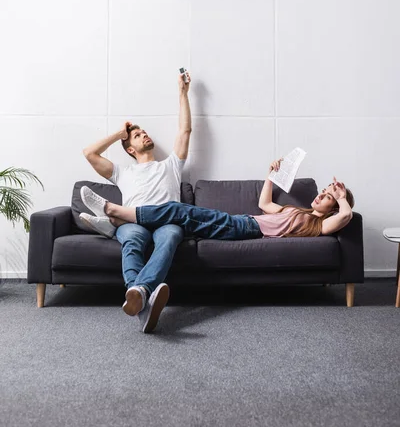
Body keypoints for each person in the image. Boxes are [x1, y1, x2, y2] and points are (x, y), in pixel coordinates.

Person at [82, 70, 192, 333]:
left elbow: (185, 130)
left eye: (144, 132)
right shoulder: (123, 171)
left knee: (170, 236)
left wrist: (183, 93)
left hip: (166, 221)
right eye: (137, 135)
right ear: (130, 148)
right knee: (131, 239)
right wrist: (119, 134)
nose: (144, 135)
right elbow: (89, 153)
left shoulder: (171, 165)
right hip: (135, 223)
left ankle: (138, 293)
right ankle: (141, 293)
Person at [80, 158, 355, 247]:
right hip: (244, 222)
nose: (322, 194)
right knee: (179, 216)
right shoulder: (296, 211)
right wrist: (270, 175)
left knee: (177, 210)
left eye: (328, 196)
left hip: (248, 229)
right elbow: (265, 203)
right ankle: (115, 223)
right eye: (325, 190)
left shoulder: (320, 225)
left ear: (332, 207)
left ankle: (112, 209)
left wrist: (343, 199)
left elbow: (345, 218)